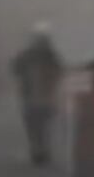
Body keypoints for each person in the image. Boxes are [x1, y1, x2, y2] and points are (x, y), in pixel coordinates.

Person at [12, 21, 65, 166]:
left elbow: (60, 72)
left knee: (39, 125)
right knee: (35, 125)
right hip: (33, 95)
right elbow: (16, 68)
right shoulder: (34, 56)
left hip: (43, 96)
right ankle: (38, 150)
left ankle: (40, 150)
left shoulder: (50, 56)